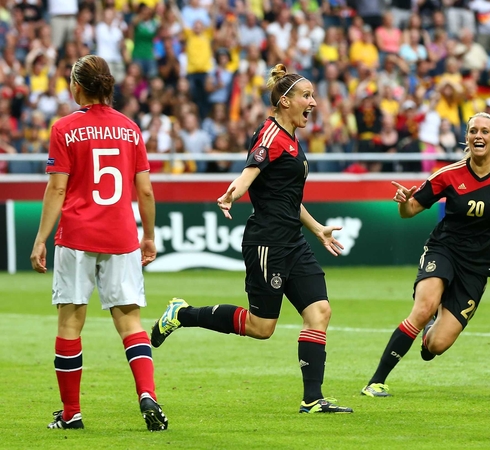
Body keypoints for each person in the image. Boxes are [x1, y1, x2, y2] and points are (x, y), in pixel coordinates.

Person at [149, 64, 353, 414]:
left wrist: (316, 228)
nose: (314, 103)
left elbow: (286, 198)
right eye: (306, 96)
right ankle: (182, 314)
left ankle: (312, 399)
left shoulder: (291, 137)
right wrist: (233, 193)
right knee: (261, 327)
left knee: (320, 311)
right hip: (267, 243)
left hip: (293, 241)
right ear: (285, 101)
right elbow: (249, 172)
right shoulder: (270, 135)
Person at [29, 55, 167, 431]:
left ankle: (71, 413)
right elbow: (146, 191)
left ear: (77, 87)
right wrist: (148, 235)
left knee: (70, 324)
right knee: (130, 322)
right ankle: (148, 394)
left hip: (76, 236)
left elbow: (57, 188)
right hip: (121, 237)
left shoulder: (64, 128)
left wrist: (41, 239)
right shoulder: (130, 129)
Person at [361, 112, 490, 397]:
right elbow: (410, 210)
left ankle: (430, 333)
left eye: (485, 131)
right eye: (473, 131)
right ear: (466, 137)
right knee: (423, 309)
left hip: (477, 266)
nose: (478, 136)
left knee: (437, 346)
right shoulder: (447, 174)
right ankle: (376, 381)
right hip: (444, 250)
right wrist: (403, 202)